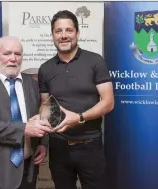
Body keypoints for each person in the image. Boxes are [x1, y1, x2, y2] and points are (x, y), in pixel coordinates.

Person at [38, 10, 114, 189]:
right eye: (58, 31)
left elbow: (108, 102)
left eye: (69, 30)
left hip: (90, 146)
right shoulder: (45, 69)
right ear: (53, 35)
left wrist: (79, 117)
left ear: (77, 33)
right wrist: (42, 141)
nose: (64, 35)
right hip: (58, 148)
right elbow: (45, 106)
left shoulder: (95, 61)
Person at [0, 36, 52, 189]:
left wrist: (42, 143)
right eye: (7, 54)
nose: (13, 59)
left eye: (17, 54)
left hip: (28, 170)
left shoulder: (32, 84)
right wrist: (24, 128)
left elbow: (40, 114)